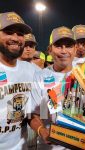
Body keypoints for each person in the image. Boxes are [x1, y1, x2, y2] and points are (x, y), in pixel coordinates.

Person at [0, 12, 49, 150]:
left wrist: (42, 131)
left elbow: (30, 113)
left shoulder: (32, 71)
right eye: (9, 32)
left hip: (21, 146)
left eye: (20, 34)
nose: (16, 38)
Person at [35, 26, 76, 150]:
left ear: (75, 49)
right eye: (58, 46)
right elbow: (33, 114)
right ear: (49, 50)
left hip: (78, 144)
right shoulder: (40, 76)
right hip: (49, 146)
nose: (64, 51)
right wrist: (42, 131)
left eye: (68, 46)